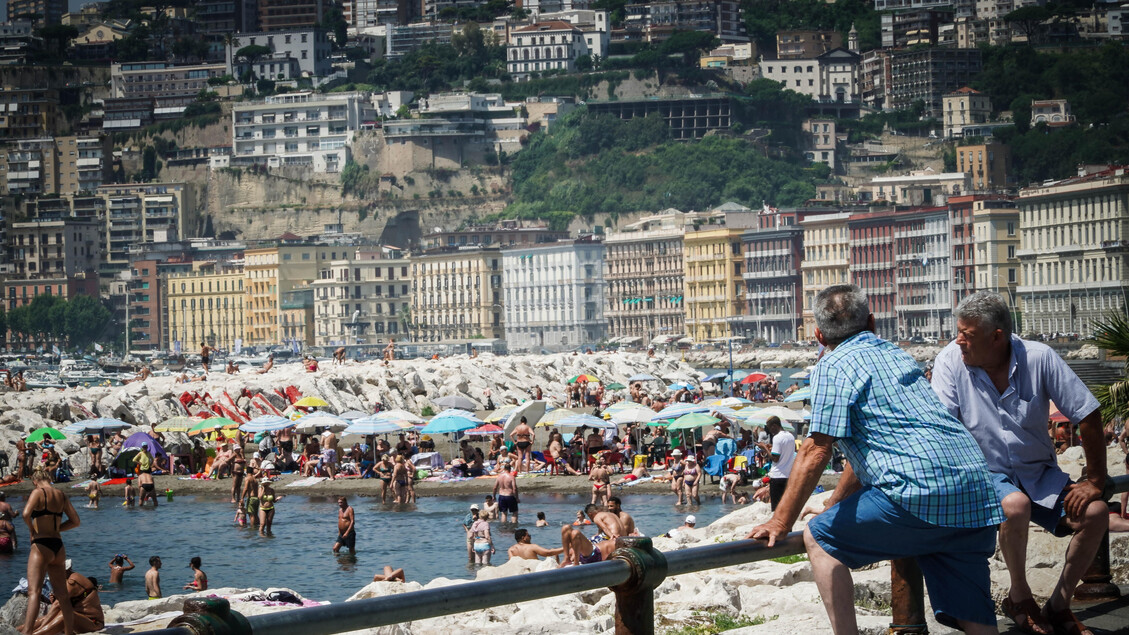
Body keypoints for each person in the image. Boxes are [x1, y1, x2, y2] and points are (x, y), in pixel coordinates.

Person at [747, 284, 1006, 635]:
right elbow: (873, 447)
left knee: (820, 539)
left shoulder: (832, 365)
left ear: (819, 335)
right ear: (872, 321)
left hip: (918, 492)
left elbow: (817, 448)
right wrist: (836, 501)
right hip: (975, 489)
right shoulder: (897, 354)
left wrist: (780, 522)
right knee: (978, 623)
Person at [931, 291, 1110, 635]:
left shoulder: (1039, 357)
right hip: (985, 474)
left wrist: (1097, 480)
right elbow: (943, 428)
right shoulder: (951, 361)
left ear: (996, 336)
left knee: (1096, 513)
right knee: (1015, 505)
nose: (959, 341)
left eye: (967, 334)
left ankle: (1059, 605)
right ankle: (1020, 596)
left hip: (1038, 472)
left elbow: (1087, 412)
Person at [21, 466, 81, 635]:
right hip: (58, 545)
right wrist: (57, 529)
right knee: (62, 595)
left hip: (41, 545)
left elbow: (26, 514)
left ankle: (26, 633)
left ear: (35, 481)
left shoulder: (38, 492)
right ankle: (69, 632)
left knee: (34, 591)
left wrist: (32, 530)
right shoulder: (61, 495)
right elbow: (76, 521)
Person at [28, 560, 104, 635]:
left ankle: (34, 633)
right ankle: (20, 630)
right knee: (42, 620)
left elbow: (57, 605)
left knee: (65, 615)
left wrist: (42, 627)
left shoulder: (73, 581)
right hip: (80, 618)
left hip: (93, 622)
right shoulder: (68, 580)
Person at [763, 416, 795, 511]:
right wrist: (772, 448)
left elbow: (775, 459)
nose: (770, 431)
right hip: (788, 475)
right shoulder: (790, 436)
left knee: (776, 507)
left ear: (774, 426)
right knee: (787, 506)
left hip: (777, 476)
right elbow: (784, 451)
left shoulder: (777, 438)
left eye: (769, 428)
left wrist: (764, 448)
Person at [493, 459, 519, 524]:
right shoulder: (511, 477)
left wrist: (493, 496)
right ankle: (513, 525)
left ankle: (503, 526)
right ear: (510, 469)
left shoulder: (499, 476)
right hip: (509, 496)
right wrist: (517, 497)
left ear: (504, 469)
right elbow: (514, 488)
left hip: (501, 496)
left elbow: (495, 487)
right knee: (514, 512)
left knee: (504, 513)